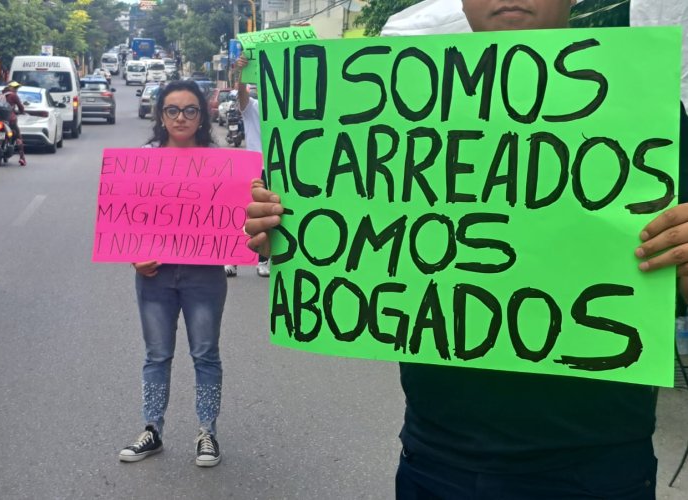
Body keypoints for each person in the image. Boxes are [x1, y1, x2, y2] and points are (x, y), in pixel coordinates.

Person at [244, 1, 688, 498]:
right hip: (436, 459)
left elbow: (674, 283)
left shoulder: (647, 103)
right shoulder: (401, 102)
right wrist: (285, 228)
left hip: (598, 466)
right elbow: (350, 230)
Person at [119, 80, 227, 468]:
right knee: (156, 355)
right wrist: (134, 256)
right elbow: (123, 216)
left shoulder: (221, 162)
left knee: (205, 354)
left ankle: (207, 432)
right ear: (161, 116)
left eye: (190, 110)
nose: (181, 117)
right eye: (172, 110)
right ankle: (152, 429)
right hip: (155, 276)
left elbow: (233, 218)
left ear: (202, 117)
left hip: (205, 276)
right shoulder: (141, 159)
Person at [224, 55, 270, 278]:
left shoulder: (291, 113)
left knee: (267, 217)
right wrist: (241, 74)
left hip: (277, 172)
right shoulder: (253, 107)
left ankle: (263, 260)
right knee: (241, 214)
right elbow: (242, 95)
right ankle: (231, 258)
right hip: (253, 169)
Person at [0, 81, 27, 166]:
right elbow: (21, 107)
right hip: (10, 120)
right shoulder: (13, 95)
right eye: (16, 88)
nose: (16, 90)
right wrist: (21, 112)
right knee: (18, 136)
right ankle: (22, 158)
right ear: (12, 88)